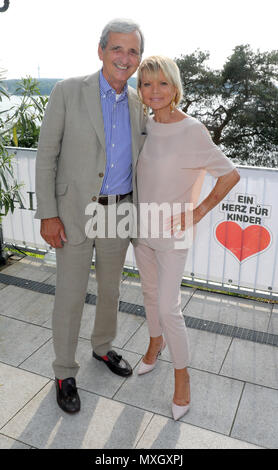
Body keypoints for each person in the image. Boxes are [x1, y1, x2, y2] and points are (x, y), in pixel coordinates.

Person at [35, 19, 146, 413]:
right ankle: (65, 371)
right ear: (100, 51)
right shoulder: (68, 91)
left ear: (138, 60)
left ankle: (103, 348)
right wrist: (48, 214)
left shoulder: (139, 102)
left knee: (111, 291)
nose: (124, 58)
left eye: (133, 51)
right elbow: (47, 155)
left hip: (119, 212)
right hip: (73, 213)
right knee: (69, 296)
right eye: (117, 48)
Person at [134, 56, 240, 421]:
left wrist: (197, 213)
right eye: (147, 84)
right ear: (140, 90)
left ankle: (183, 377)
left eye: (162, 83)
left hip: (173, 235)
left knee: (168, 307)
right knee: (148, 295)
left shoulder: (192, 129)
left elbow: (229, 175)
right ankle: (153, 346)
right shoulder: (145, 125)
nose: (155, 91)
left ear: (175, 86)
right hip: (141, 229)